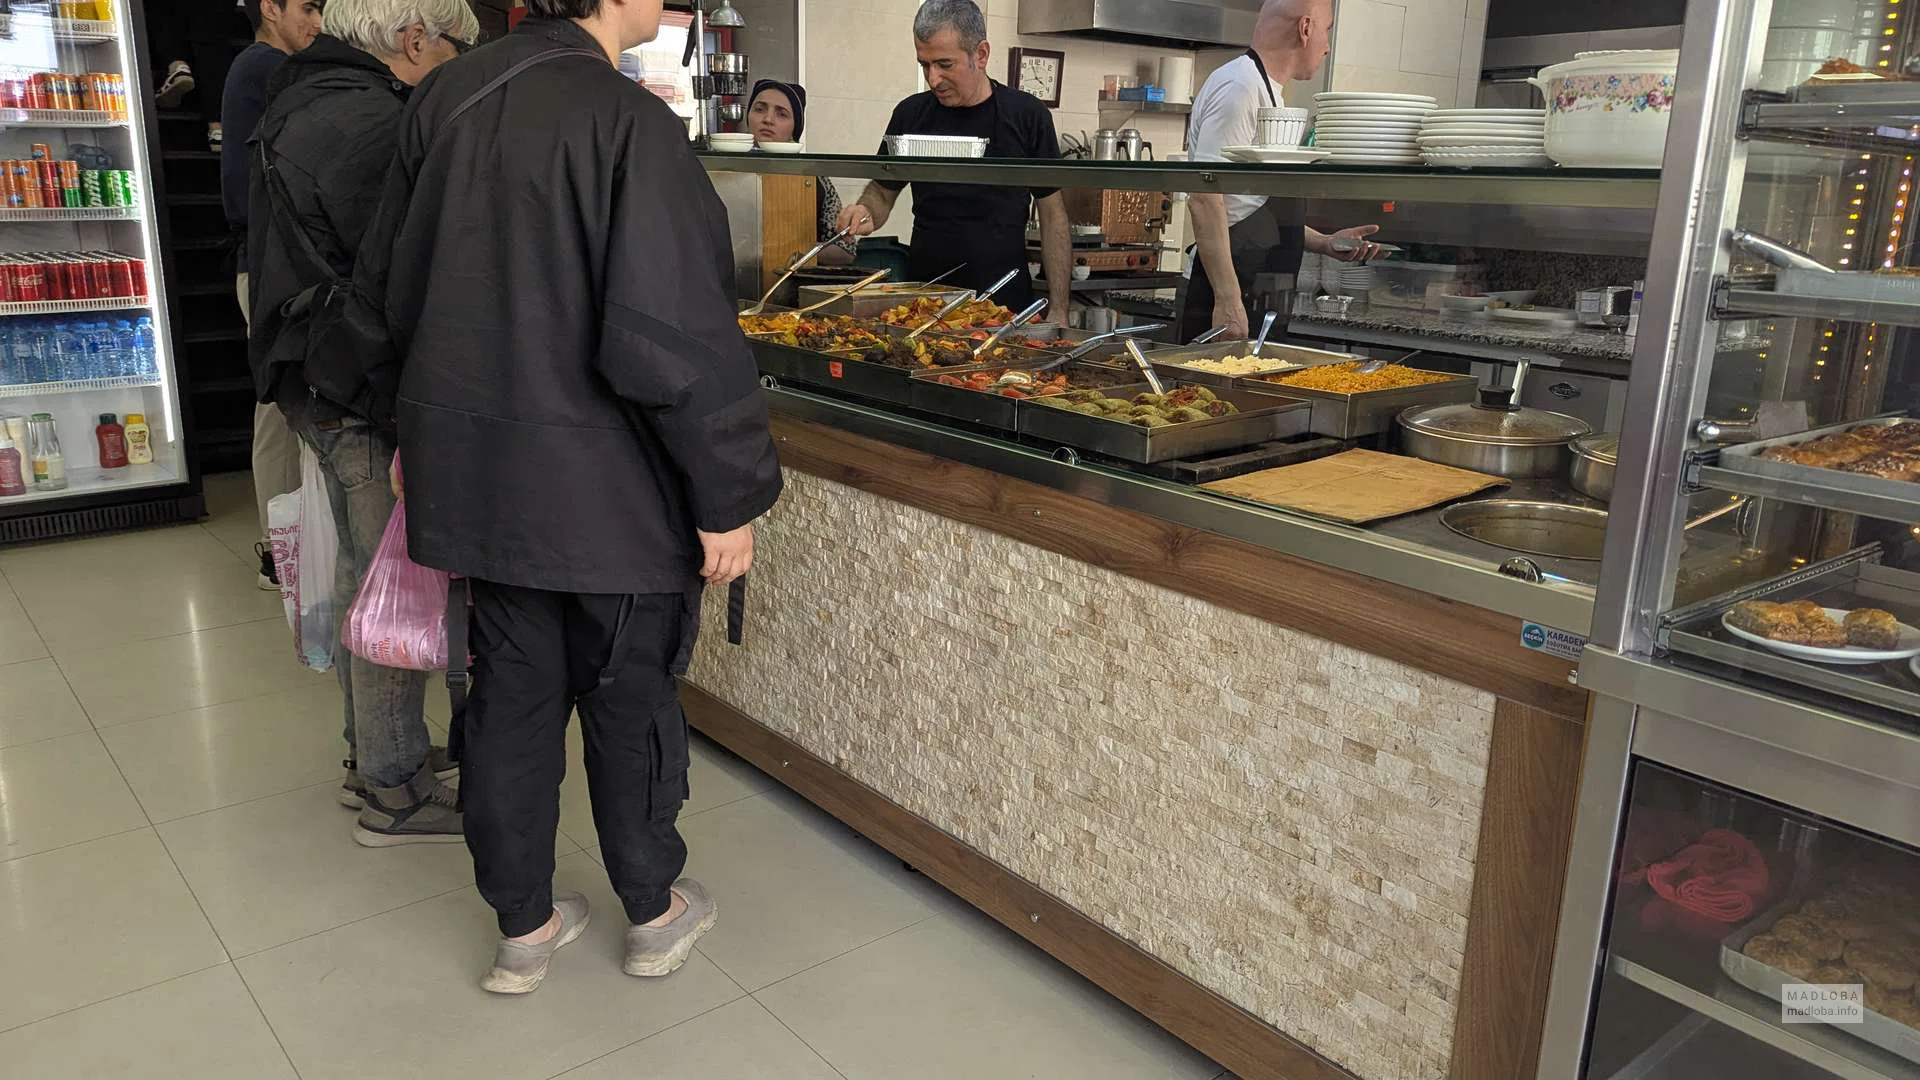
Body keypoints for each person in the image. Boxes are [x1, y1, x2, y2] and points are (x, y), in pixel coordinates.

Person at [357, 0, 782, 994]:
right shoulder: (627, 122)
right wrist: (727, 493)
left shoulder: (446, 99)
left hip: (485, 483)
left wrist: (416, 440)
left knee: (509, 699)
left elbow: (388, 295)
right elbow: (674, 332)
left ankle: (524, 926)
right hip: (615, 495)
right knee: (630, 702)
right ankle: (653, 912)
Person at [246, 0, 475, 842]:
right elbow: (403, 275)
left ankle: (372, 752)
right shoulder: (374, 122)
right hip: (357, 382)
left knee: (359, 569)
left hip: (311, 370)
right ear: (415, 39)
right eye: (456, 48)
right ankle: (393, 787)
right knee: (392, 582)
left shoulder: (302, 93)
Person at [836, 0, 1070, 318]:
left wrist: (1059, 308)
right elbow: (881, 191)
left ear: (981, 55)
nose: (933, 79)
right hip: (925, 305)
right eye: (924, 65)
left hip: (1005, 309)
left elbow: (1053, 215)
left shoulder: (1027, 116)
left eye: (945, 64)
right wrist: (865, 211)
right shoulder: (910, 114)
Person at [1184, 0, 1383, 339]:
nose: (1327, 46)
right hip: (1232, 290)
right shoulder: (1240, 87)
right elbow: (1205, 197)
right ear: (1305, 29)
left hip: (1259, 285)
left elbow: (1250, 208)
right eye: (1327, 30)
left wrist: (1324, 243)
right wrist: (1228, 300)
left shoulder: (1266, 91)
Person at [222, 0, 325, 591]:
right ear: (270, 8)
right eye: (307, 7)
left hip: (270, 266)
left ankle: (287, 549)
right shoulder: (265, 68)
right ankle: (281, 554)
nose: (317, 22)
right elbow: (252, 192)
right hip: (271, 269)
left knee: (282, 408)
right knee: (281, 409)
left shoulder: (262, 68)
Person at [747, 79, 855, 267]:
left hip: (792, 281)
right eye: (759, 109)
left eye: (782, 114)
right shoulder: (726, 171)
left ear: (795, 126)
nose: (768, 119)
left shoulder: (813, 177)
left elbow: (846, 250)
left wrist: (801, 254)